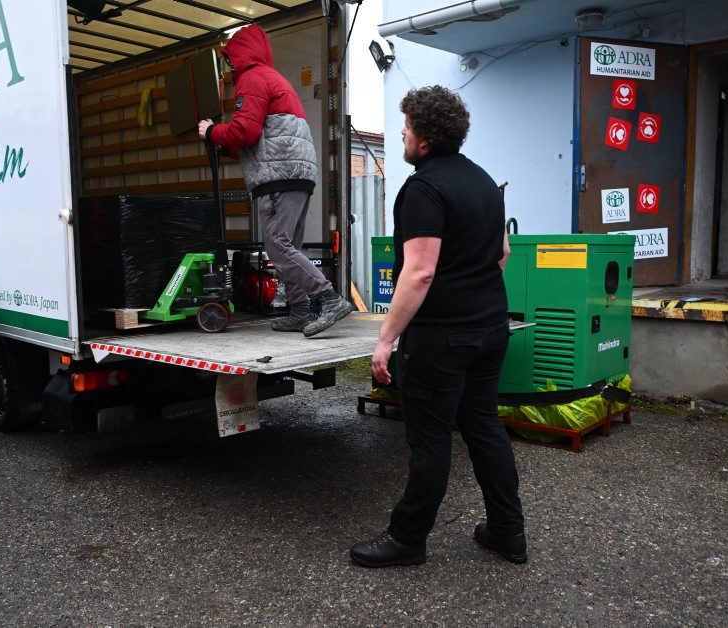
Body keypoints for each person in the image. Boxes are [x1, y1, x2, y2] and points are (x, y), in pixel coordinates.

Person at [350, 86, 526, 568]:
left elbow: (420, 271)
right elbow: (502, 255)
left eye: (406, 125)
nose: (401, 132)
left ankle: (407, 539)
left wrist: (385, 340)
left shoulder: (424, 188)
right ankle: (508, 532)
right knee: (484, 427)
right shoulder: (485, 182)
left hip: (442, 339)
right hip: (490, 329)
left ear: (424, 140)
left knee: (429, 439)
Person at [198, 25, 354, 337]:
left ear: (241, 55)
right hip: (296, 172)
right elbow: (263, 135)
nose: (229, 66)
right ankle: (298, 310)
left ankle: (328, 298)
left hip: (279, 176)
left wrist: (212, 131)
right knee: (287, 246)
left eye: (230, 59)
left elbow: (246, 131)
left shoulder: (252, 78)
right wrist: (225, 145)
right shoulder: (273, 77)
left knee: (279, 245)